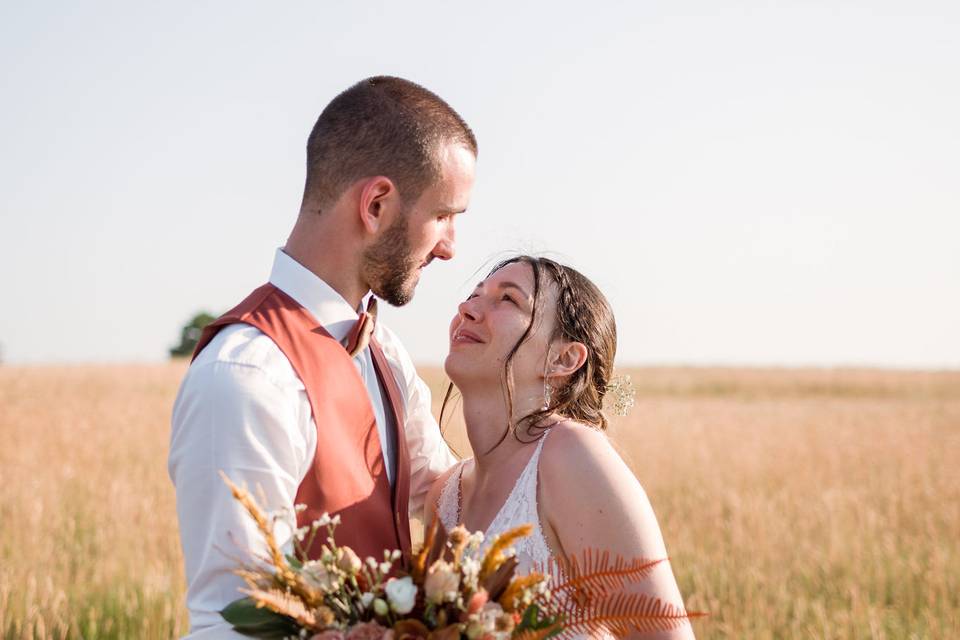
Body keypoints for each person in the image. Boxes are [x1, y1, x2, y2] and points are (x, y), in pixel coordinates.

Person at [169, 76, 477, 638]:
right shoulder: (245, 376)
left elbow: (443, 495)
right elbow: (232, 620)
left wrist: (547, 436)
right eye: (444, 215)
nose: (450, 246)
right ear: (377, 204)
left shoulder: (383, 349)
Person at [426, 256, 695, 639]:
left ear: (563, 358)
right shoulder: (443, 497)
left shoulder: (570, 456)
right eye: (473, 295)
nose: (467, 309)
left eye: (508, 300)